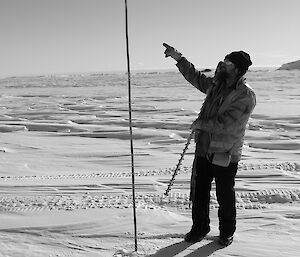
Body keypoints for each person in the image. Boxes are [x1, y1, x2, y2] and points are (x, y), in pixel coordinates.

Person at [163, 43, 256, 246]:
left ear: (238, 70)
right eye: (224, 59)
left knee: (224, 194)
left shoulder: (245, 95)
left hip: (225, 152)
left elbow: (229, 125)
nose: (223, 63)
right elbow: (196, 78)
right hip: (204, 147)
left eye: (228, 62)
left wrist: (201, 123)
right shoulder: (217, 85)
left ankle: (226, 233)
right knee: (199, 192)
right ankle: (200, 228)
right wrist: (179, 59)